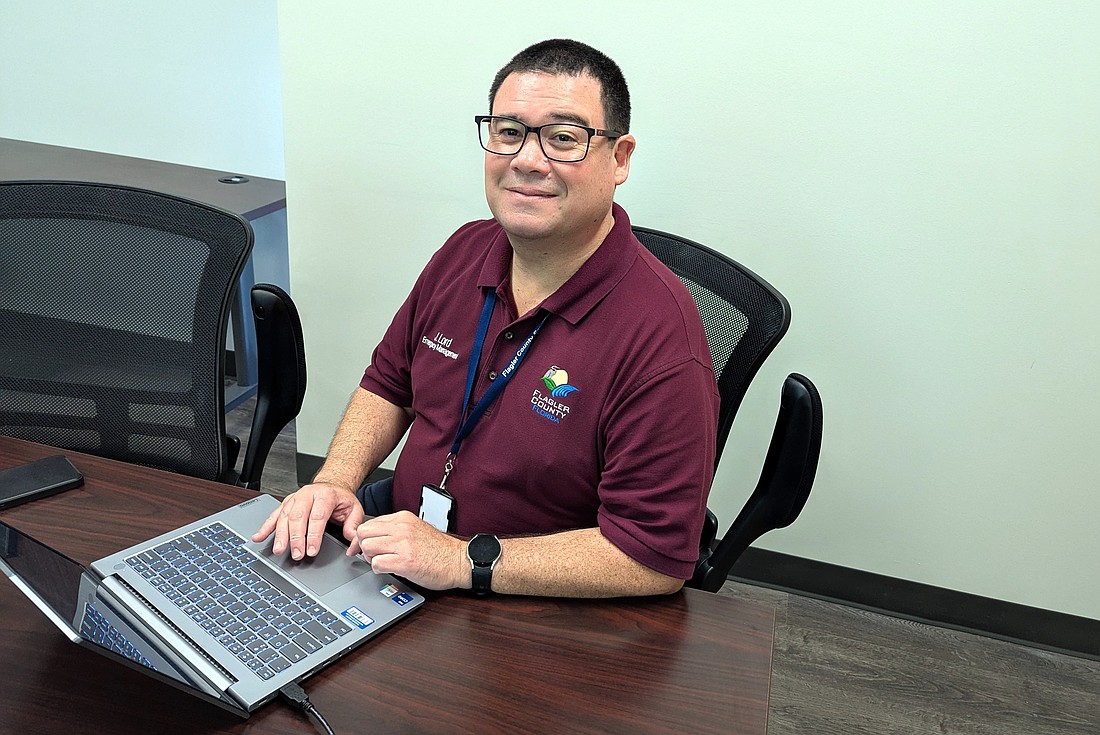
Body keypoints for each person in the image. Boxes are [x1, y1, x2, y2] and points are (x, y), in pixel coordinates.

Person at [253, 39, 719, 598]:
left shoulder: (663, 339)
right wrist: (334, 481)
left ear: (619, 158)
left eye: (563, 138)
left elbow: (652, 558)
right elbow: (389, 385)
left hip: (521, 599)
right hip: (400, 545)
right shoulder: (466, 249)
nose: (527, 160)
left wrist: (462, 559)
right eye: (509, 132)